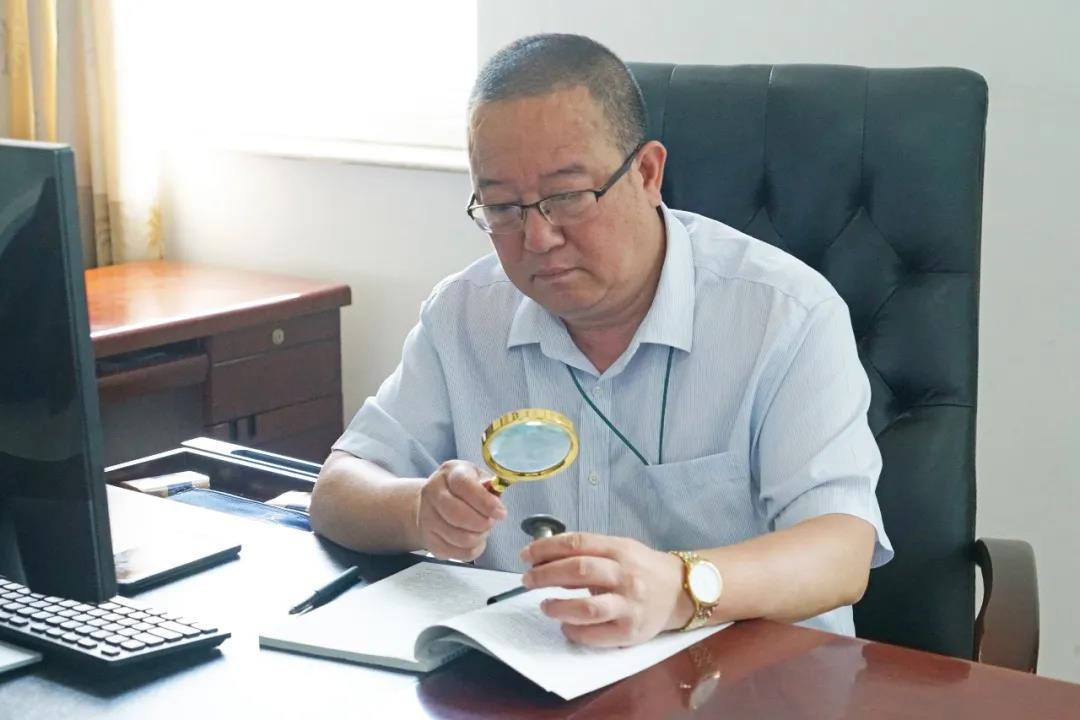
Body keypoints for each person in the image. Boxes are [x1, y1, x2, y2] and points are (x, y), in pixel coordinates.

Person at [310, 33, 893, 648]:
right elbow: (338, 488)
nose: (538, 238)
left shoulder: (786, 316)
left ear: (647, 173)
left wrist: (682, 586)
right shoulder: (463, 314)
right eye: (503, 207)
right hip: (529, 672)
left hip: (750, 676)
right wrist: (417, 511)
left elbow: (841, 549)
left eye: (567, 197)